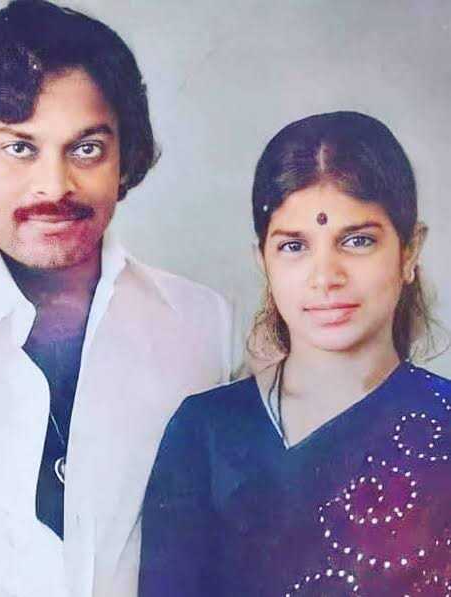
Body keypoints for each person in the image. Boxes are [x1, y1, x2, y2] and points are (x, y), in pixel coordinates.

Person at [0, 1, 232, 595]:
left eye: (87, 148)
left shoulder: (202, 325)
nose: (55, 185)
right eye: (20, 148)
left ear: (125, 160)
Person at [139, 111, 451, 596]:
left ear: (409, 252)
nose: (325, 277)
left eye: (358, 241)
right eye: (294, 247)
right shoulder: (206, 433)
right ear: (262, 260)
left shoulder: (442, 427)